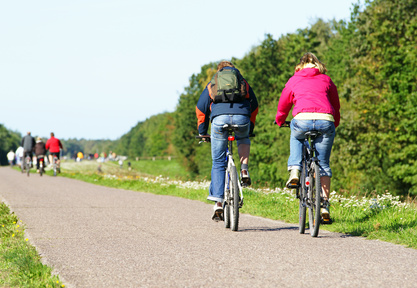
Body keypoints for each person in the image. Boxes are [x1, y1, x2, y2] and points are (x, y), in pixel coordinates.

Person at [275, 52, 340, 221]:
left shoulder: (294, 79)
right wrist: (334, 123)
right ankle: (324, 205)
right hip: (325, 120)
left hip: (302, 120)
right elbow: (336, 105)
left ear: (300, 66)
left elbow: (283, 104)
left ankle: (295, 170)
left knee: (296, 136)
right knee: (323, 163)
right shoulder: (326, 79)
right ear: (318, 65)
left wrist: (280, 120)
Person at [196, 60, 258, 221]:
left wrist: (202, 132)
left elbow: (201, 108)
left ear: (219, 71)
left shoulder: (213, 83)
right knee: (243, 137)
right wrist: (249, 128)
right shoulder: (242, 82)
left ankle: (217, 202)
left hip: (219, 120)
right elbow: (255, 105)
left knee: (218, 162)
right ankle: (244, 169)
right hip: (242, 118)